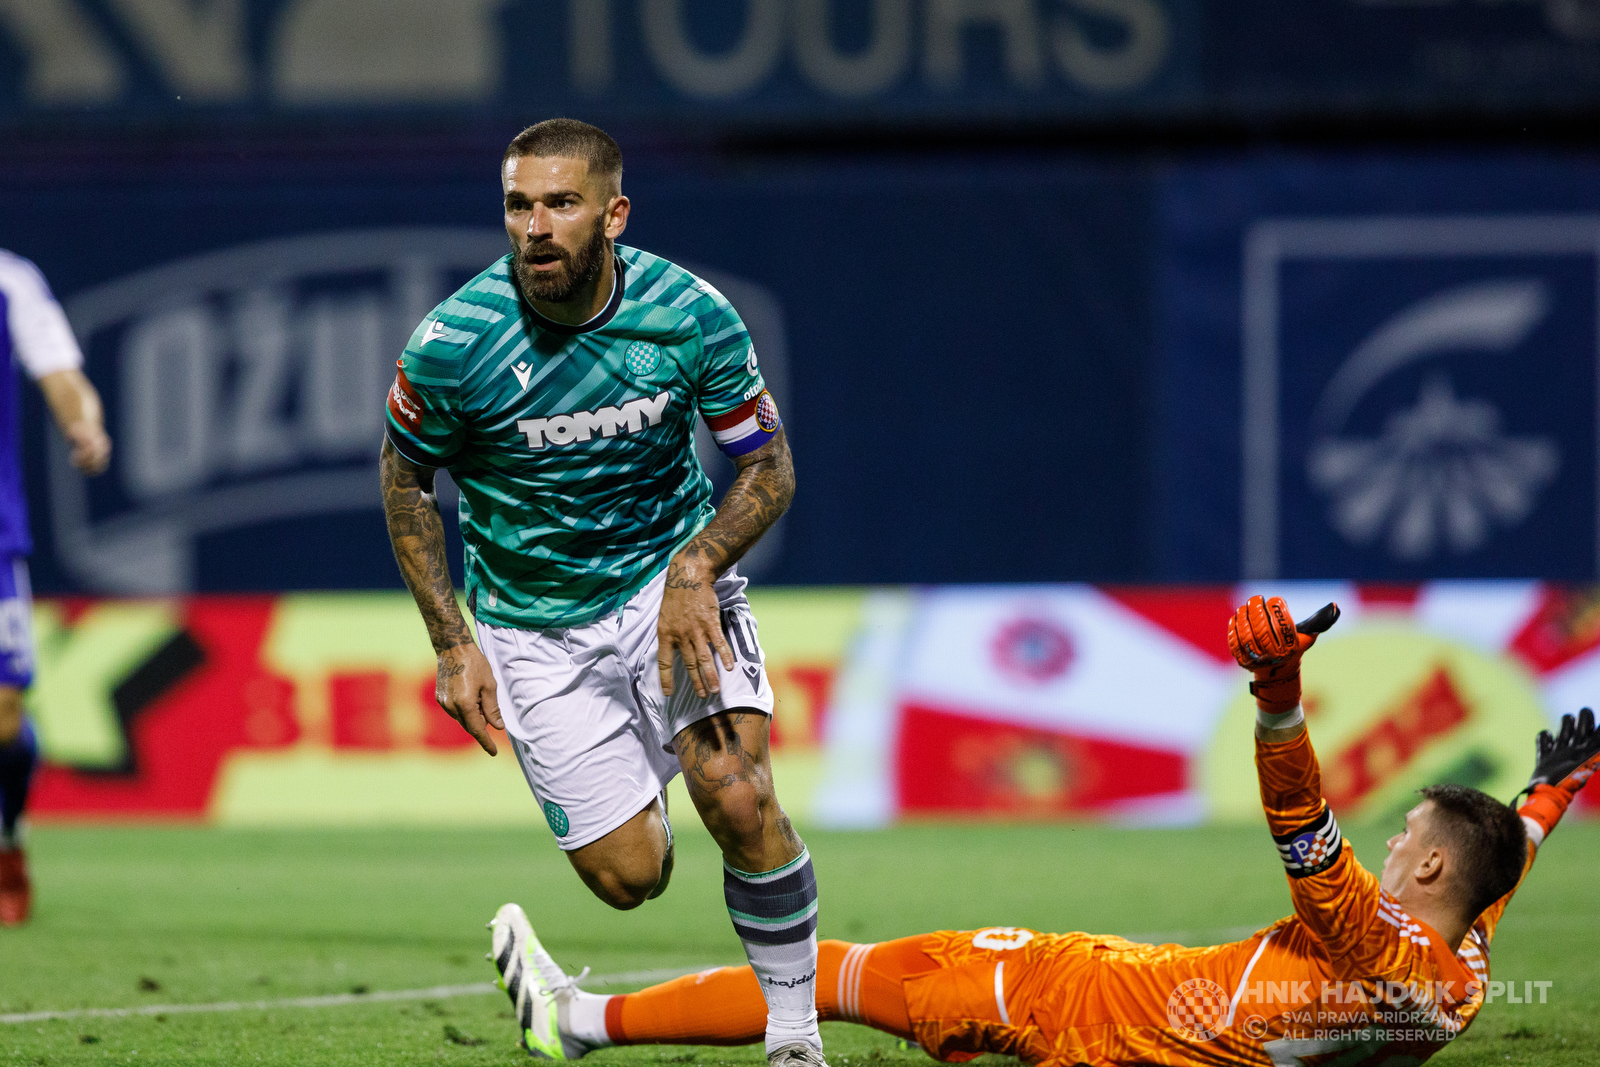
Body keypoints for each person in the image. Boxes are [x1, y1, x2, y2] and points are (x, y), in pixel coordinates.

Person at [500, 595, 1600, 1067]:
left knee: (832, 970)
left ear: (1428, 863)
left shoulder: (1364, 931)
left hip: (1084, 1005)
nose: (1392, 837)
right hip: (1149, 1025)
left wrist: (1275, 695)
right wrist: (1546, 791)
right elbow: (1504, 872)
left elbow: (1298, 816)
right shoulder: (1457, 972)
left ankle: (578, 1020)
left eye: (1406, 829)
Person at [379, 119, 824, 1065]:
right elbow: (404, 481)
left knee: (739, 797)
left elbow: (769, 468)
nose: (537, 226)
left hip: (669, 587)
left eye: (562, 203)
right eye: (518, 205)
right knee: (630, 878)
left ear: (613, 213)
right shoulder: (455, 343)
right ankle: (636, 816)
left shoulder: (689, 313)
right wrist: (452, 645)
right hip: (531, 627)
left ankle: (794, 1039)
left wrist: (697, 566)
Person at [0, 250, 113, 927]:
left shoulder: (11, 280)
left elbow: (60, 373)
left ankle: (8, 838)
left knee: (5, 714)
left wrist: (83, 421)